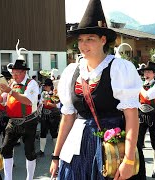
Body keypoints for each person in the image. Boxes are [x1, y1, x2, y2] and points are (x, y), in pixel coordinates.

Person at [49, 0, 145, 179]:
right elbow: (68, 117)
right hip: (77, 148)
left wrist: (129, 160)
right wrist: (56, 156)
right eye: (80, 40)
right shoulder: (72, 72)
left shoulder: (119, 69)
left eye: (90, 39)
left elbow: (132, 117)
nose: (83, 45)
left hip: (111, 148)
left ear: (103, 40)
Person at [0, 46, 40, 180]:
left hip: (28, 121)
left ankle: (29, 178)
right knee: (5, 149)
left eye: (16, 73)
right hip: (12, 122)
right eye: (13, 73)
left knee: (29, 152)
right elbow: (3, 100)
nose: (14, 76)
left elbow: (27, 101)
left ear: (23, 72)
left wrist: (10, 91)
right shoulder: (12, 83)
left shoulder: (32, 84)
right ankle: (8, 178)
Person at [137, 61, 155, 178]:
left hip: (152, 116)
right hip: (140, 115)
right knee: (138, 143)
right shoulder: (141, 84)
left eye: (149, 72)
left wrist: (138, 86)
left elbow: (148, 95)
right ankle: (139, 169)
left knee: (154, 143)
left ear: (154, 74)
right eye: (145, 72)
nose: (146, 74)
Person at [36, 78, 61, 157]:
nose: (44, 87)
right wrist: (39, 106)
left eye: (46, 86)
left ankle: (56, 151)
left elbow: (57, 106)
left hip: (53, 116)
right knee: (43, 133)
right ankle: (41, 150)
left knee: (54, 133)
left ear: (50, 86)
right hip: (44, 114)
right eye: (44, 86)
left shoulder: (54, 94)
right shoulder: (44, 93)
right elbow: (40, 102)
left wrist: (48, 103)